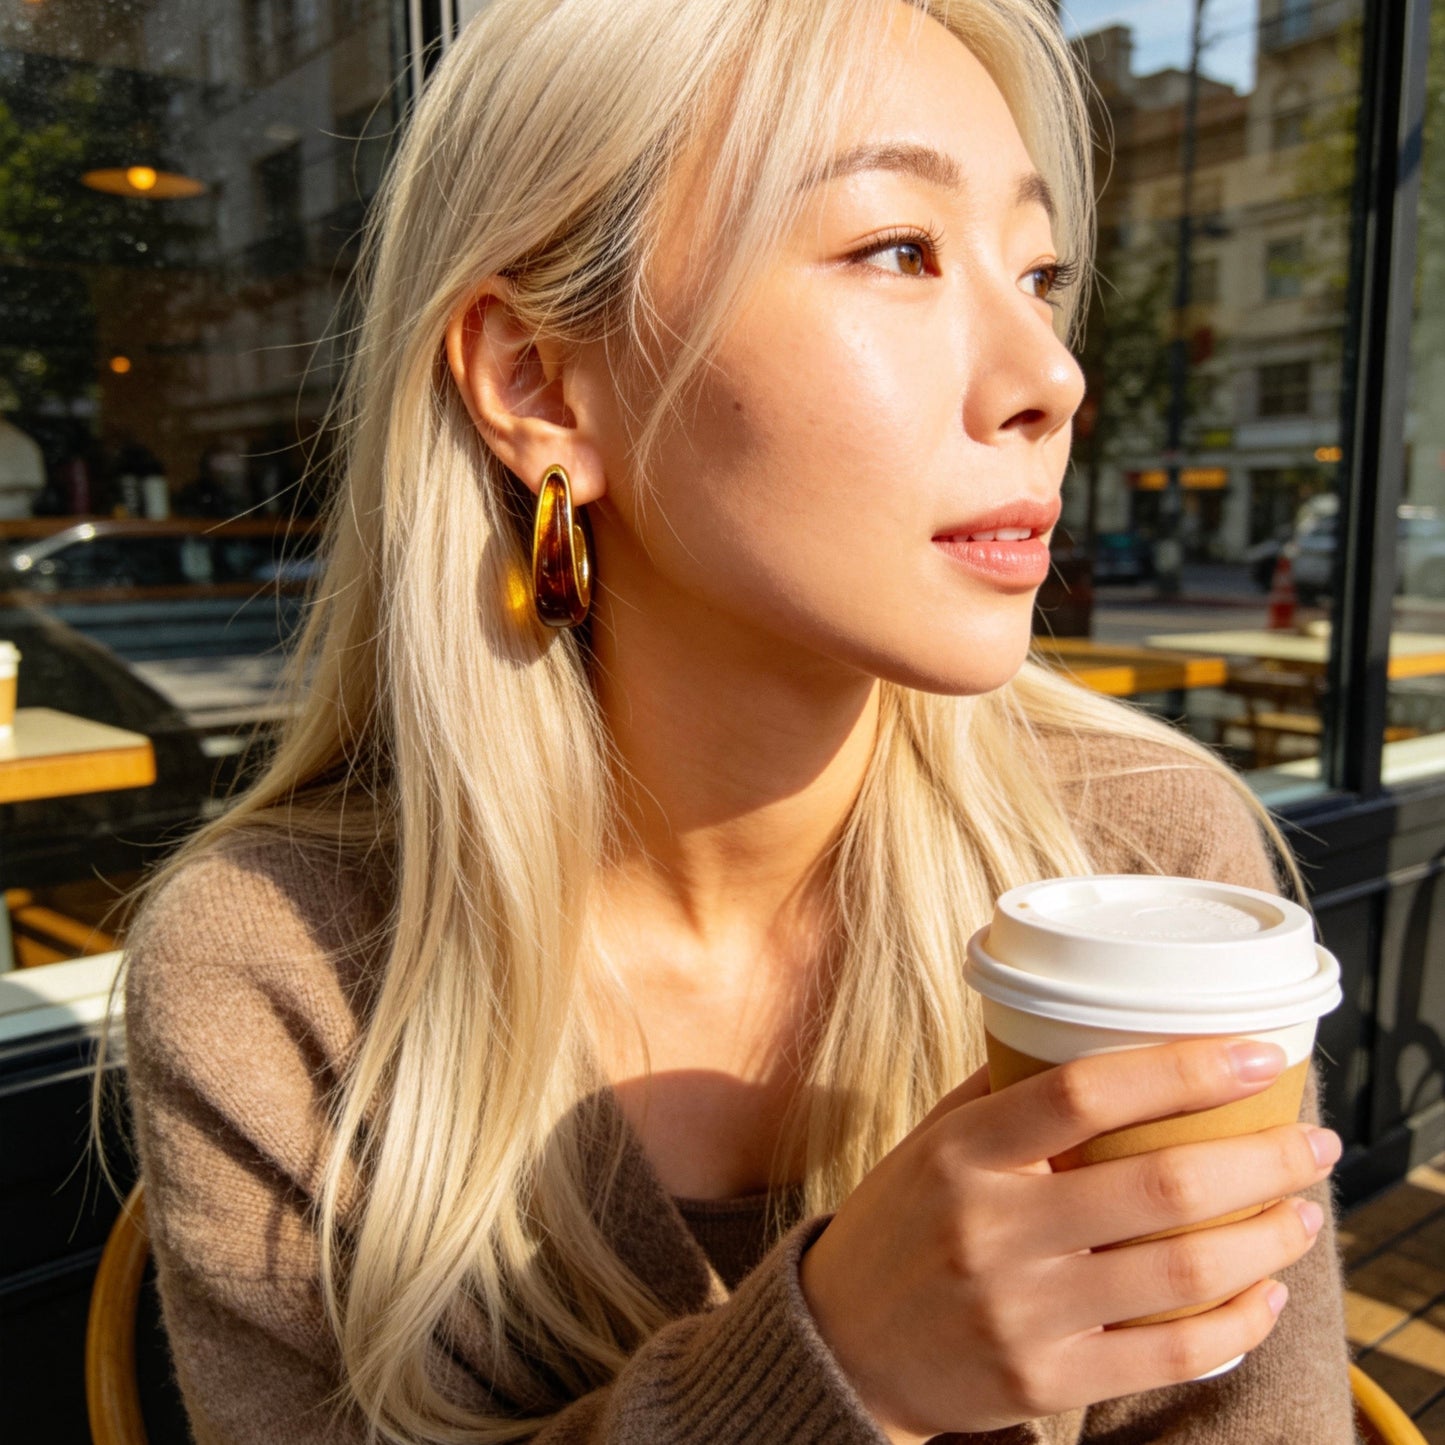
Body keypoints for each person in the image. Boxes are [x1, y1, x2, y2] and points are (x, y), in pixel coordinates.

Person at [112, 1, 1356, 1441]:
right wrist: (841, 1366)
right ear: (537, 383)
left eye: (1037, 272)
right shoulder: (282, 971)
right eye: (897, 249)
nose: (1052, 378)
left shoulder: (1142, 865)